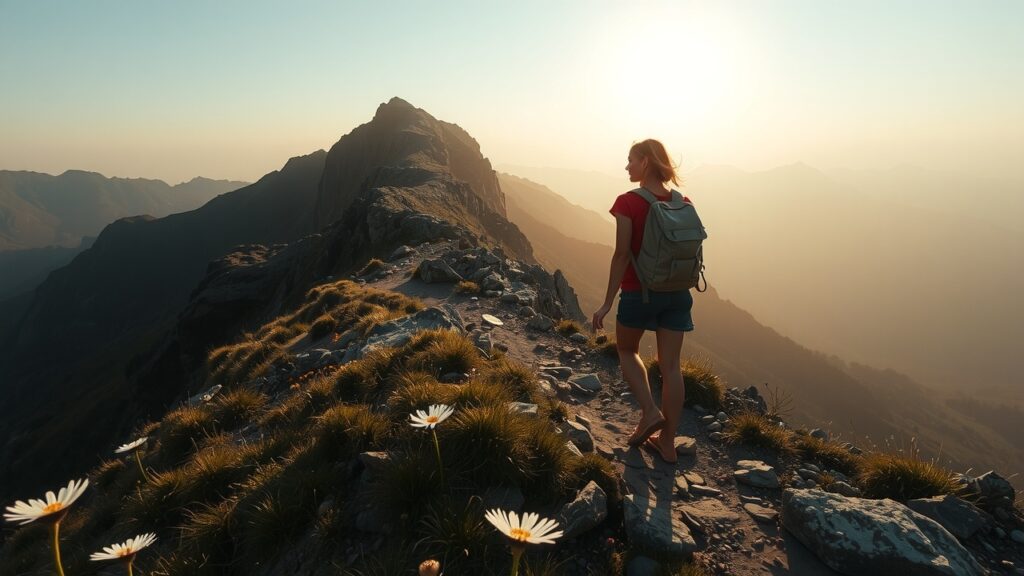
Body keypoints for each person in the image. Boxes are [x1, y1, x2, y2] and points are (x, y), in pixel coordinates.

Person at [592, 139, 694, 464]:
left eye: (631, 160)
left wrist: (607, 302)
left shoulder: (628, 202)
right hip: (678, 294)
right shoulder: (683, 201)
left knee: (626, 349)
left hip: (640, 292)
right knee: (672, 367)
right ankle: (667, 443)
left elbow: (622, 254)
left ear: (646, 162)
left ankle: (650, 411)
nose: (627, 167)